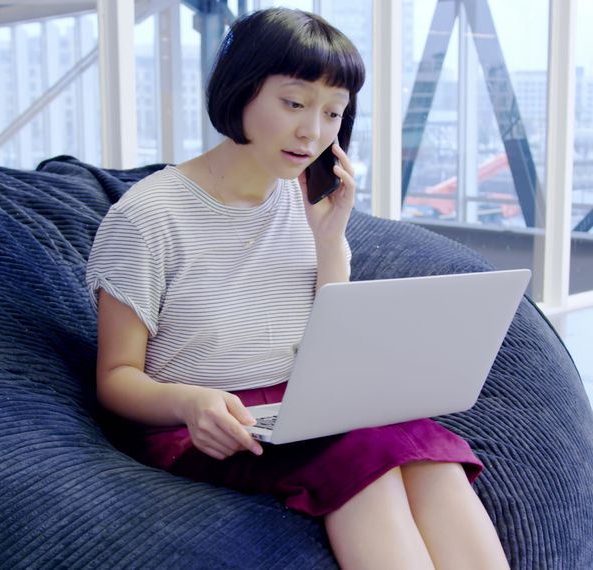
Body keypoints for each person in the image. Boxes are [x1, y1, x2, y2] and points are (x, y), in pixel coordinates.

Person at [86, 8, 510, 569]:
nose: (314, 131)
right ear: (242, 90)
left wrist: (331, 240)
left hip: (301, 408)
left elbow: (332, 344)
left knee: (427, 450)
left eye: (333, 112)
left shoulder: (306, 202)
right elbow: (115, 380)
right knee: (367, 457)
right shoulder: (147, 217)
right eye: (294, 103)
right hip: (206, 426)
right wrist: (192, 403)